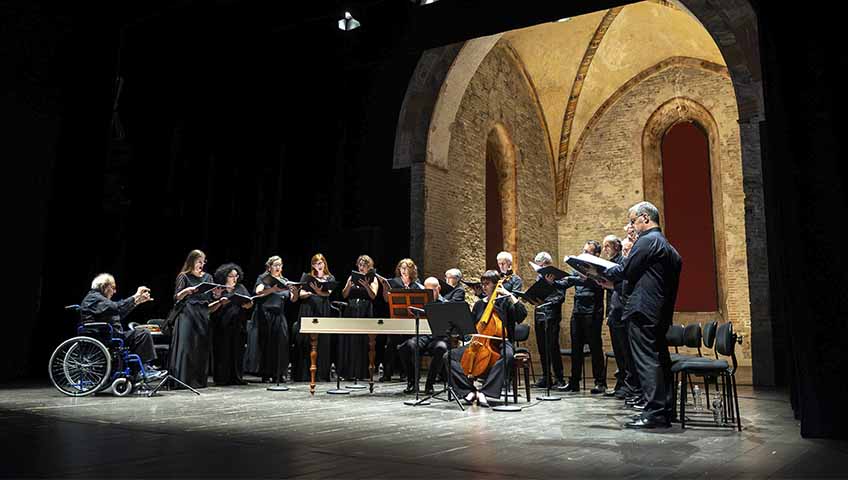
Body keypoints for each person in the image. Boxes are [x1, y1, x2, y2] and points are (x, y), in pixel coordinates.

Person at [604, 201, 682, 429]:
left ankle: (654, 413)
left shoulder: (648, 240)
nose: (631, 226)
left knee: (647, 361)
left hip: (642, 310)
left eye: (632, 221)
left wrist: (600, 270)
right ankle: (665, 410)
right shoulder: (667, 246)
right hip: (658, 311)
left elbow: (626, 270)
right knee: (659, 360)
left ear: (645, 218)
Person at [446, 270, 527, 407]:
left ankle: (486, 392)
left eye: (487, 284)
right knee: (448, 356)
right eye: (482, 284)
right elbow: (471, 326)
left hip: (502, 341)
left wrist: (509, 295)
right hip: (479, 342)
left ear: (496, 285)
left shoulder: (505, 302)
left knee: (507, 355)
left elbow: (521, 315)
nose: (484, 287)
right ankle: (468, 391)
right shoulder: (479, 304)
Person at [79, 273, 164, 382]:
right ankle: (142, 371)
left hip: (107, 335)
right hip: (103, 337)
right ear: (105, 286)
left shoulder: (97, 298)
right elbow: (117, 308)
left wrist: (137, 302)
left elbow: (118, 313)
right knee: (143, 334)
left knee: (140, 334)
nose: (115, 291)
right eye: (113, 287)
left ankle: (139, 370)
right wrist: (135, 296)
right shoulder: (94, 298)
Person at [557, 240, 607, 394]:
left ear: (596, 254)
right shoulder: (578, 268)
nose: (583, 253)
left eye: (587, 251)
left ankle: (600, 382)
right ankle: (574, 382)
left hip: (593, 312)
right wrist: (552, 281)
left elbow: (599, 284)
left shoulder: (600, 268)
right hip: (578, 311)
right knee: (576, 347)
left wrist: (584, 278)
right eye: (583, 250)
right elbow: (566, 283)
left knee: (595, 347)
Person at [169, 249, 221, 389]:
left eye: (203, 261)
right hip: (187, 314)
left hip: (202, 315)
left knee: (200, 347)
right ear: (192, 261)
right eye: (199, 261)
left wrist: (217, 295)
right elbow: (177, 297)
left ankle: (198, 381)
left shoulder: (208, 277)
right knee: (187, 347)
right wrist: (186, 291)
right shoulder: (184, 276)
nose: (201, 264)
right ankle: (183, 380)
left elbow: (210, 299)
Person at [398, 277, 449, 395]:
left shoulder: (445, 304)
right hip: (422, 336)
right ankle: (412, 381)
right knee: (405, 347)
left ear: (439, 289)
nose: (429, 294)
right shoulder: (419, 303)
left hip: (438, 338)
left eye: (432, 290)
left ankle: (430, 384)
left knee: (441, 348)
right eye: (427, 290)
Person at [600, 236, 637, 399]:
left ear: (617, 246)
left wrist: (613, 285)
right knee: (619, 353)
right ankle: (621, 384)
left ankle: (629, 386)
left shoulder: (623, 264)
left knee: (626, 353)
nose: (605, 249)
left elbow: (627, 287)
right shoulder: (615, 264)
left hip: (623, 313)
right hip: (614, 313)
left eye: (607, 246)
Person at [252, 256, 299, 383]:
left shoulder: (285, 281)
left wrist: (295, 292)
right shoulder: (264, 278)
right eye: (275, 265)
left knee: (282, 343)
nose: (278, 267)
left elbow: (293, 299)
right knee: (267, 343)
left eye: (280, 265)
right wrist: (273, 289)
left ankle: (279, 373)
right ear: (269, 267)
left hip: (279, 314)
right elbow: (258, 292)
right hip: (266, 314)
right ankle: (266, 373)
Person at [376, 258, 424, 382]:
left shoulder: (417, 283)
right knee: (391, 345)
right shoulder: (394, 282)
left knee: (409, 345)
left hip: (411, 319)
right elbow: (386, 299)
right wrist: (385, 287)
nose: (404, 270)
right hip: (396, 318)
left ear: (412, 270)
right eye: (402, 268)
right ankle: (387, 373)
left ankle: (406, 373)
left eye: (406, 268)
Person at [293, 253, 335, 382]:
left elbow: (328, 293)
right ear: (312, 265)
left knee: (322, 340)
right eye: (316, 263)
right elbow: (301, 294)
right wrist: (310, 293)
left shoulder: (330, 278)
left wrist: (317, 291)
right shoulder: (307, 277)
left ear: (324, 263)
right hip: (308, 308)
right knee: (305, 340)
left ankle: (321, 374)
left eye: (320, 263)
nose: (318, 265)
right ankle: (303, 374)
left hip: (323, 309)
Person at [209, 263, 253, 385]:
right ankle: (222, 378)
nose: (234, 279)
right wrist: (219, 300)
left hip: (238, 324)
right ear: (224, 276)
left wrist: (248, 304)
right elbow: (209, 308)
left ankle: (237, 377)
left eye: (236, 276)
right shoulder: (219, 289)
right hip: (221, 325)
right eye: (231, 276)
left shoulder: (240, 287)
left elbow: (249, 303)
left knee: (237, 351)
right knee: (222, 351)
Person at [338, 255, 378, 382]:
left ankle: (362, 373)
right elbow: (344, 294)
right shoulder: (352, 277)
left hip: (365, 310)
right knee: (350, 340)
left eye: (364, 265)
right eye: (360, 265)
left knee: (363, 340)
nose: (361, 267)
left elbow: (373, 295)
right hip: (351, 309)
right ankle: (348, 372)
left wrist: (366, 285)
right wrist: (349, 286)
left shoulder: (373, 279)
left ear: (369, 267)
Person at [530, 252, 566, 389]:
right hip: (539, 315)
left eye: (541, 266)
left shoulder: (558, 278)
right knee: (542, 348)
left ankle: (559, 378)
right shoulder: (539, 277)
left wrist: (545, 299)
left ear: (547, 265)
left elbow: (560, 297)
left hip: (551, 316)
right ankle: (546, 377)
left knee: (552, 347)